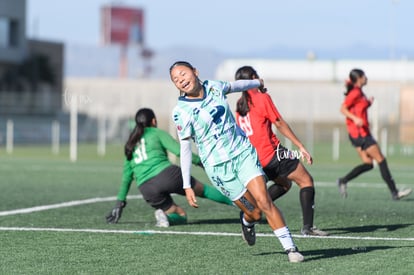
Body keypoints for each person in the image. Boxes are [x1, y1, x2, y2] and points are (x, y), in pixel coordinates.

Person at [169, 61, 304, 263]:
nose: (181, 80)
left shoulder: (215, 86)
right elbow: (185, 148)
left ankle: (291, 249)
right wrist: (187, 184)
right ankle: (247, 221)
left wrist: (255, 83)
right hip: (219, 168)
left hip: (243, 154)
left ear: (195, 72)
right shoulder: (181, 112)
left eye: (183, 74)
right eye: (176, 79)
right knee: (255, 213)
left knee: (264, 200)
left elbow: (235, 86)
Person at [234, 66, 328, 237]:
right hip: (273, 154)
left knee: (285, 184)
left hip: (254, 160)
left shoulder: (240, 105)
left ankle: (250, 211)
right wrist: (300, 145)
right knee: (306, 181)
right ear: (254, 78)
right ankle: (308, 228)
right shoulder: (261, 98)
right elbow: (279, 123)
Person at [105, 108, 234, 227]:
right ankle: (239, 203)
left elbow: (126, 178)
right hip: (167, 175)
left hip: (147, 189)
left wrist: (119, 204)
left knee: (180, 215)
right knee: (204, 191)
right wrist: (200, 162)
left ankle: (166, 218)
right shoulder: (156, 132)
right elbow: (178, 150)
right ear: (154, 121)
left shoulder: (130, 143)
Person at [337, 68, 412, 200]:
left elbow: (359, 107)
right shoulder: (355, 92)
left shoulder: (359, 92)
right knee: (381, 160)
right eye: (364, 76)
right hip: (360, 134)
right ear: (359, 78)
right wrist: (355, 119)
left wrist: (368, 103)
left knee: (368, 163)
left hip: (360, 133)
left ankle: (343, 180)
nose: (366, 78)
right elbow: (343, 108)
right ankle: (394, 192)